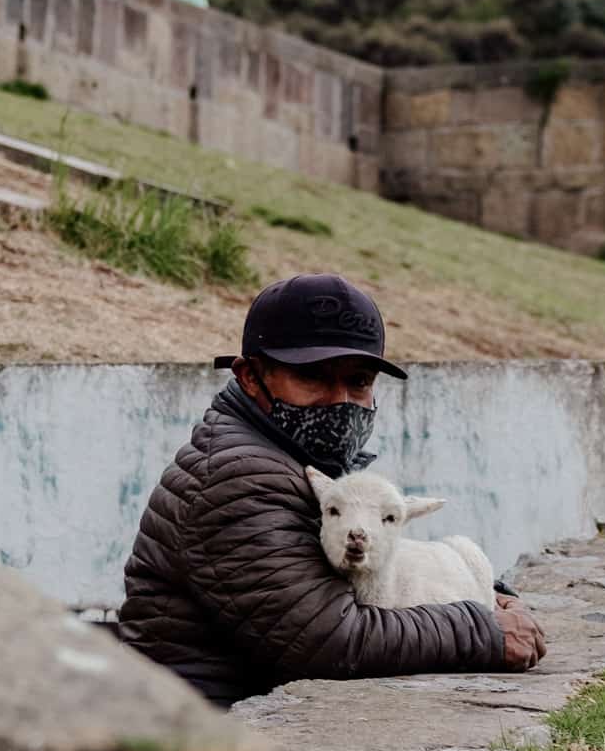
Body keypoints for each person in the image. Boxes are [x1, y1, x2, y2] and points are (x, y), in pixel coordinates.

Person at [119, 273, 546, 706]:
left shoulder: (292, 460)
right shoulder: (237, 477)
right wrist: (481, 630)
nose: (339, 400)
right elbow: (326, 640)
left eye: (358, 381)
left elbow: (374, 572)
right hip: (200, 721)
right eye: (312, 377)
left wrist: (483, 591)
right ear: (250, 376)